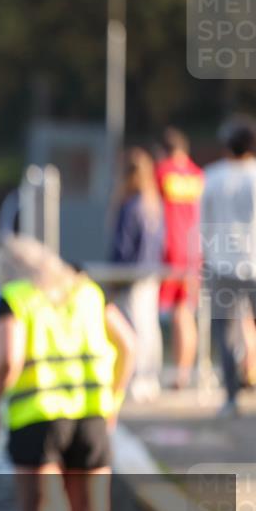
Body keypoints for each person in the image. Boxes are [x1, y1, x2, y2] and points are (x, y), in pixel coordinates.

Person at [0, 235, 135, 511]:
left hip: (39, 418)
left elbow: (8, 360)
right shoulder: (87, 291)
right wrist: (113, 398)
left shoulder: (16, 297)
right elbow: (129, 345)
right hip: (91, 417)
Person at [200, 115, 256, 419]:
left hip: (222, 263)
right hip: (253, 261)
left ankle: (232, 394)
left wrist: (207, 253)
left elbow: (203, 223)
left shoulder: (213, 176)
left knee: (226, 333)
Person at [109, 147, 165, 402]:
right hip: (151, 274)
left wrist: (115, 275)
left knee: (134, 329)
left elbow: (123, 245)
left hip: (131, 276)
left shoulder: (131, 206)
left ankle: (136, 378)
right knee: (149, 327)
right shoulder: (154, 204)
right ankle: (150, 378)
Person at [155, 128, 205, 389]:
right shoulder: (198, 175)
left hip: (170, 251)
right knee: (186, 313)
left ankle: (177, 373)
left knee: (174, 315)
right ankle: (185, 371)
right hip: (194, 250)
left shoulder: (161, 172)